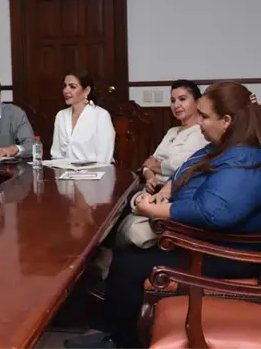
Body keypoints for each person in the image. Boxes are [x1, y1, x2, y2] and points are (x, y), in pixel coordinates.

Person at [67, 81, 261, 349]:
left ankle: (123, 341)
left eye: (205, 117)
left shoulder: (244, 158)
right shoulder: (221, 147)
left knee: (131, 264)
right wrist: (167, 192)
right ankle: (112, 333)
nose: (199, 122)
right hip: (205, 240)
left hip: (227, 253)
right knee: (127, 255)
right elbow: (184, 172)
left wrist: (153, 210)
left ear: (226, 121)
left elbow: (212, 212)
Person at [140, 79, 208, 192]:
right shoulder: (172, 131)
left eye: (182, 99)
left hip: (175, 192)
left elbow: (179, 166)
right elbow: (148, 162)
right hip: (151, 189)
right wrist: (150, 178)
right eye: (172, 101)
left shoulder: (201, 131)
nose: (176, 105)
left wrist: (154, 166)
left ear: (197, 102)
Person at [50, 71, 115, 164]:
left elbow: (104, 159)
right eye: (65, 86)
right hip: (64, 171)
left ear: (86, 91)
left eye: (72, 87)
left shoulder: (101, 116)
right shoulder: (61, 116)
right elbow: (56, 154)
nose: (66, 91)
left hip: (96, 172)